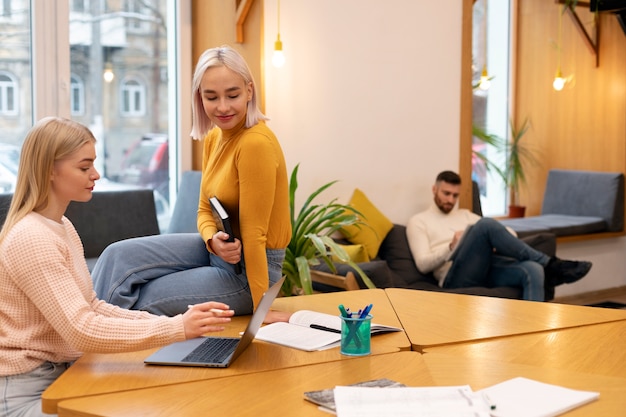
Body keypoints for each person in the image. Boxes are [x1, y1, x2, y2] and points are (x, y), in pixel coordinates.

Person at [0, 117, 235, 417]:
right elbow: (81, 330)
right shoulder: (31, 238)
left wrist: (177, 325)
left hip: (61, 376)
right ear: (49, 170)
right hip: (26, 393)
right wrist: (174, 329)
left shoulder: (62, 227)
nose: (95, 174)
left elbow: (93, 307)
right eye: (84, 167)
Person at [91, 45, 292, 318]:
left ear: (249, 91)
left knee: (143, 298)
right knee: (117, 256)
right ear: (200, 97)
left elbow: (255, 237)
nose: (222, 107)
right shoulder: (214, 137)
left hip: (249, 275)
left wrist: (261, 309)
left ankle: (91, 348)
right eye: (211, 97)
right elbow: (203, 210)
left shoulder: (255, 144)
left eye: (232, 95)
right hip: (219, 253)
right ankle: (84, 331)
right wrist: (212, 240)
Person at [406, 170, 592, 301]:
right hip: (454, 276)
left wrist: (495, 242)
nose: (450, 200)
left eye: (455, 195)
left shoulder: (465, 215)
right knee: (485, 224)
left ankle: (535, 332)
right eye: (446, 194)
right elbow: (423, 265)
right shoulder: (419, 221)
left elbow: (508, 232)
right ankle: (551, 264)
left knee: (533, 268)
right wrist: (451, 247)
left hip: (485, 266)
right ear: (434, 190)